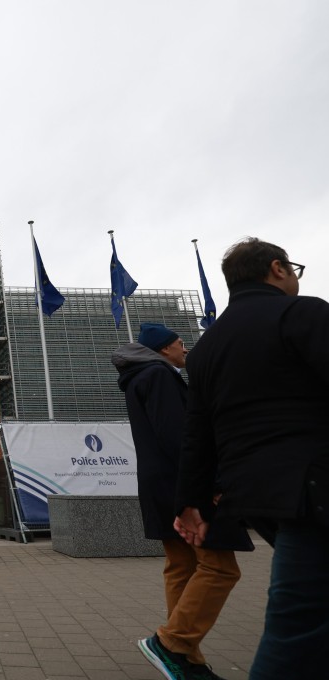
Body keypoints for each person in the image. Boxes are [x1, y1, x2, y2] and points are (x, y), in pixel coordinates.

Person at [175, 238, 329, 678]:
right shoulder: (303, 313)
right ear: (277, 268)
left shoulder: (206, 348)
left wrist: (191, 502)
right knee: (298, 624)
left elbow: (197, 434)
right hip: (314, 487)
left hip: (255, 496)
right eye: (293, 268)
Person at [113, 323, 252, 680]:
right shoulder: (159, 376)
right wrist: (211, 484)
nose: (185, 349)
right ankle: (171, 643)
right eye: (179, 344)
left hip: (160, 484)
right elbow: (180, 436)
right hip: (184, 485)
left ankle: (186, 660)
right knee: (220, 568)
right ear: (163, 349)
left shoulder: (139, 377)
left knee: (181, 567)